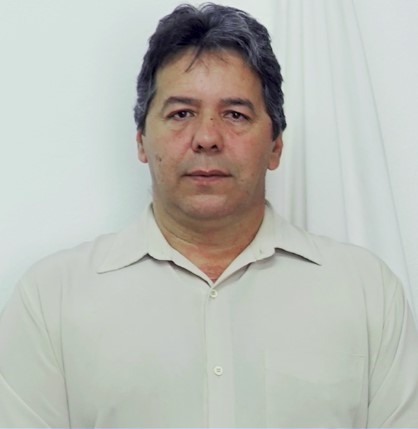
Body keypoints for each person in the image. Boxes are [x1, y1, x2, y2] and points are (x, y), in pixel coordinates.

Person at [1, 3, 418, 428]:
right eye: (181, 113)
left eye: (235, 114)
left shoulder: (367, 294)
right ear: (141, 140)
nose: (206, 138)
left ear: (275, 145)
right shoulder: (52, 300)